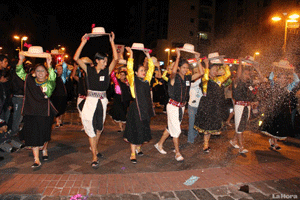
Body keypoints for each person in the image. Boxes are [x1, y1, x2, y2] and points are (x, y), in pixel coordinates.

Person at [73, 32, 118, 168]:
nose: (106, 63)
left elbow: (115, 59)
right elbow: (76, 58)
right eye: (103, 60)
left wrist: (112, 42)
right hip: (91, 101)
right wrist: (84, 41)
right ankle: (94, 155)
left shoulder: (107, 71)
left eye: (106, 61)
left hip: (102, 102)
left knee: (99, 128)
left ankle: (94, 148)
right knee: (90, 125)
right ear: (97, 60)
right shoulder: (88, 69)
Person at [154, 49, 203, 161]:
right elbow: (174, 72)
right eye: (183, 67)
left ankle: (159, 144)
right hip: (172, 106)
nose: (186, 70)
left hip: (181, 107)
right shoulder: (173, 78)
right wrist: (178, 56)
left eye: (187, 67)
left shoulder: (187, 78)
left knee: (171, 128)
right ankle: (177, 152)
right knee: (176, 130)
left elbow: (201, 73)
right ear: (179, 68)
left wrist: (198, 60)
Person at [16, 52, 57, 168]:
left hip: (45, 113)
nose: (40, 73)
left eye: (42, 71)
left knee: (44, 135)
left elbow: (53, 77)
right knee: (34, 135)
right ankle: (36, 159)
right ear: (34, 73)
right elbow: (19, 72)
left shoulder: (50, 83)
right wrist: (21, 60)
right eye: (38, 71)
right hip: (31, 113)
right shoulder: (29, 81)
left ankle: (44, 149)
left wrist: (49, 64)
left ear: (46, 73)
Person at [123, 47, 155, 164]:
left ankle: (139, 147)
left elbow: (151, 68)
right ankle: (132, 153)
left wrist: (148, 56)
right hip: (135, 109)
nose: (144, 72)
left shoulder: (147, 80)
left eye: (144, 70)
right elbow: (129, 69)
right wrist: (131, 54)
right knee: (134, 130)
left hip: (145, 109)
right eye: (141, 70)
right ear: (136, 73)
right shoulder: (133, 80)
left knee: (142, 129)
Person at [194, 56, 231, 152]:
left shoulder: (218, 80)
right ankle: (205, 144)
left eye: (216, 70)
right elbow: (205, 76)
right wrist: (206, 64)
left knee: (211, 125)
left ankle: (206, 142)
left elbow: (228, 74)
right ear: (209, 70)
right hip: (206, 105)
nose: (215, 71)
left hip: (215, 105)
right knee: (207, 125)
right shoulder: (205, 80)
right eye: (213, 69)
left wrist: (223, 63)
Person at [229, 57, 264, 154]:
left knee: (242, 125)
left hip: (247, 106)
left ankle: (233, 141)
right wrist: (240, 63)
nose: (247, 76)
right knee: (240, 126)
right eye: (245, 73)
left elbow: (262, 80)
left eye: (248, 74)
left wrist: (257, 69)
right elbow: (239, 75)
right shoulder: (237, 81)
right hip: (239, 106)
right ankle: (241, 147)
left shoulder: (249, 83)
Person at [260, 68, 299, 150]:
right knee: (274, 126)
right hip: (274, 110)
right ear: (278, 79)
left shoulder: (288, 87)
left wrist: (293, 72)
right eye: (281, 77)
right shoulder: (274, 85)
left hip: (283, 111)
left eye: (284, 78)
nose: (283, 79)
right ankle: (275, 143)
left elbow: (297, 80)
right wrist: (274, 69)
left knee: (279, 127)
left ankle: (273, 141)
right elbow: (270, 78)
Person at [187, 67, 203, 144]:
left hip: (199, 106)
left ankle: (195, 135)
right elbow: (197, 82)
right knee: (191, 123)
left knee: (197, 123)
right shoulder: (191, 83)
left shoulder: (203, 85)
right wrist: (204, 74)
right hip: (192, 106)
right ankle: (190, 139)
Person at [51, 63, 69, 128]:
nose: (59, 70)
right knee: (56, 108)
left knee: (62, 108)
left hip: (63, 95)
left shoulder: (64, 76)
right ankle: (57, 121)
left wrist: (62, 61)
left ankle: (60, 120)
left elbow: (67, 67)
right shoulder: (54, 76)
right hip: (55, 95)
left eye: (60, 69)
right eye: (57, 69)